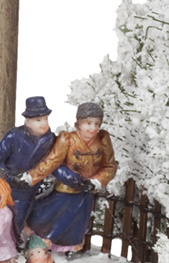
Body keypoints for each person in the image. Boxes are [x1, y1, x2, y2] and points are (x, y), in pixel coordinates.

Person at [22, 102, 118, 254]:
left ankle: (60, 254)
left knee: (74, 227)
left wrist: (96, 182)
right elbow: (52, 162)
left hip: (86, 193)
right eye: (88, 123)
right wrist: (30, 177)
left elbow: (110, 166)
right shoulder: (67, 139)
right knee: (49, 218)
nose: (93, 128)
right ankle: (38, 248)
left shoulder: (102, 140)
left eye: (96, 124)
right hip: (64, 192)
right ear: (78, 122)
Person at [0, 96, 57, 244]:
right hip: (9, 187)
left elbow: (54, 162)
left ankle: (23, 243)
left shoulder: (51, 139)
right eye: (38, 120)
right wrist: (10, 177)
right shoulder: (14, 136)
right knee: (9, 217)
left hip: (35, 188)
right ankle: (3, 244)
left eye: (46, 119)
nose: (44, 123)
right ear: (28, 121)